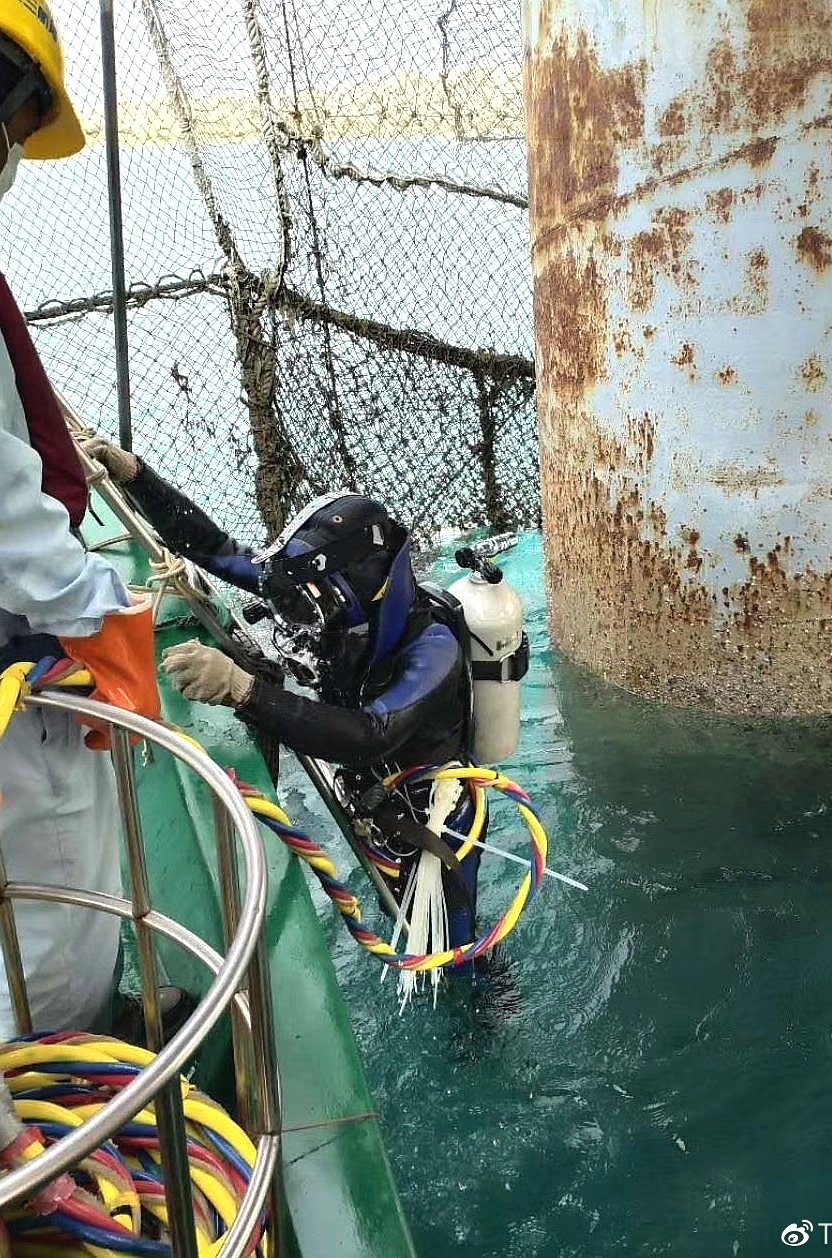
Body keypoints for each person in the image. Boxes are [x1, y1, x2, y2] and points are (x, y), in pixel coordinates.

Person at [84, 441, 485, 955]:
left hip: (439, 817)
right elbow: (215, 548)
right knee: (401, 916)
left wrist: (243, 690)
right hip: (374, 802)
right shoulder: (324, 602)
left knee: (449, 949)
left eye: (311, 606)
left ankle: (485, 987)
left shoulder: (434, 647)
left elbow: (370, 734)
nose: (303, 621)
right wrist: (138, 477)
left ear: (365, 591)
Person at [0, 0, 164, 1037]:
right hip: (22, 685)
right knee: (61, 917)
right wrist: (103, 618)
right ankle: (66, 1083)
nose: (15, 155)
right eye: (19, 125)